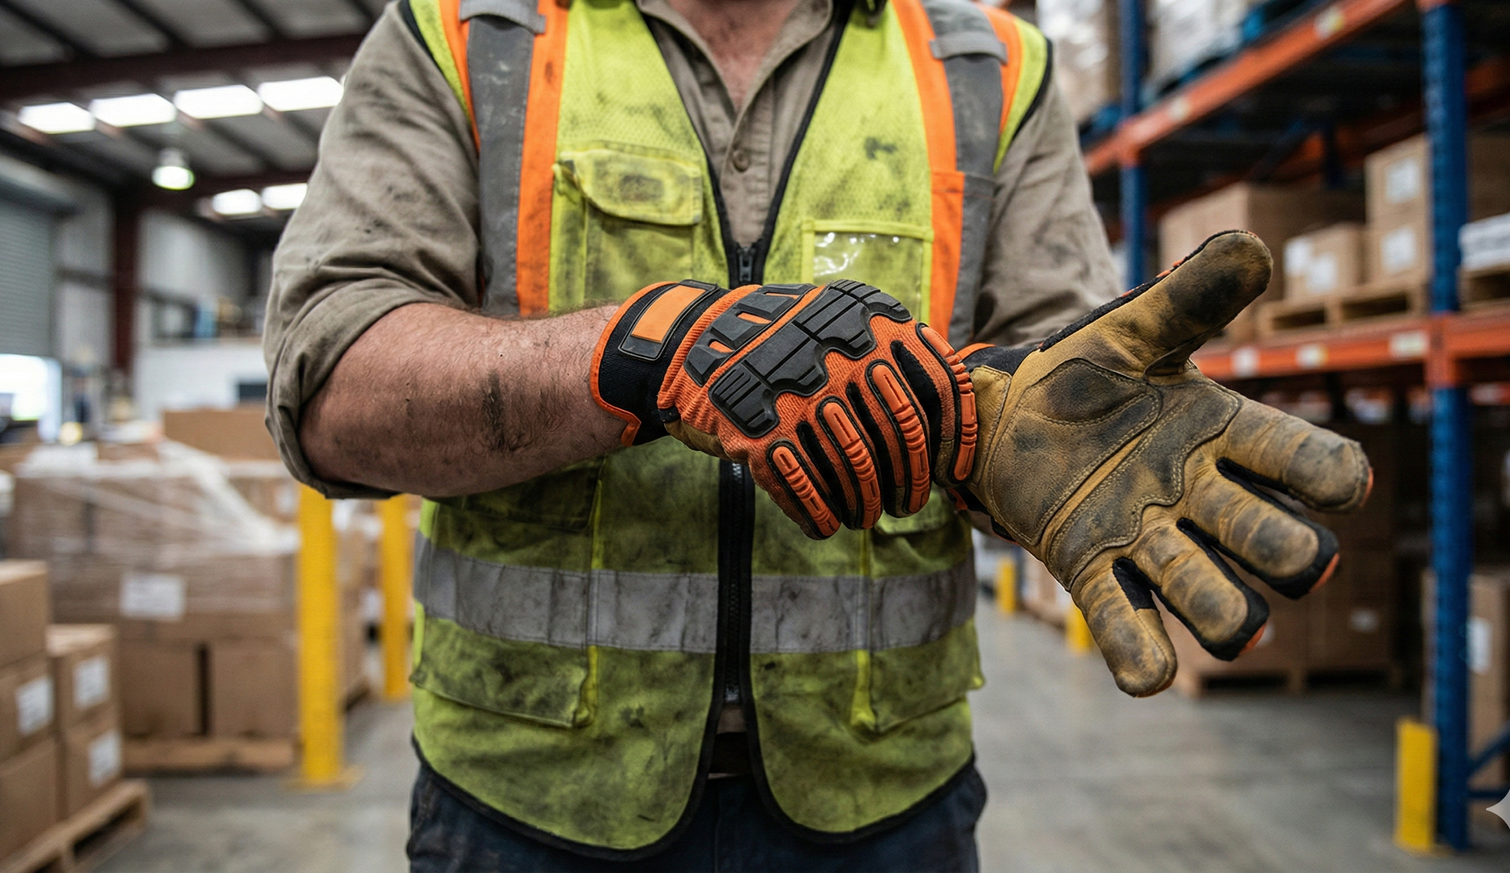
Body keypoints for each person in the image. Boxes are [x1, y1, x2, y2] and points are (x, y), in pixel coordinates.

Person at [263, 0, 1370, 869]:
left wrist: (1000, 422)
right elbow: (331, 383)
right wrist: (640, 352)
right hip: (526, 801)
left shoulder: (987, 69)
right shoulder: (467, 38)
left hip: (881, 799)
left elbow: (1059, 378)